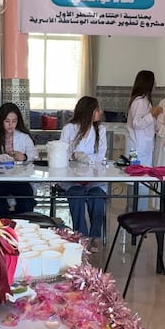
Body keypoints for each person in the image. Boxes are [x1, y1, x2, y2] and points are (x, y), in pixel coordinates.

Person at [60, 96, 108, 250]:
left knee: (97, 197)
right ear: (89, 111)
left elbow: (101, 155)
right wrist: (74, 156)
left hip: (94, 179)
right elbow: (62, 153)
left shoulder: (100, 130)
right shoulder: (69, 129)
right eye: (97, 109)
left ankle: (95, 236)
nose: (100, 112)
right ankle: (81, 236)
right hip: (72, 179)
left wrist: (87, 158)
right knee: (77, 195)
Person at [126, 70, 163, 210]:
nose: (156, 84)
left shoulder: (144, 101)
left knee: (139, 184)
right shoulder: (140, 101)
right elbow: (137, 123)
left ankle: (134, 214)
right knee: (139, 185)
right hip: (137, 151)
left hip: (141, 150)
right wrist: (152, 114)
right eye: (154, 81)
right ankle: (137, 216)